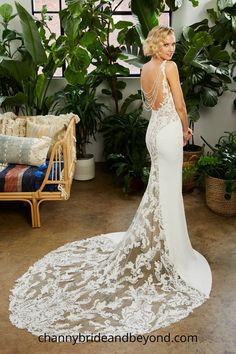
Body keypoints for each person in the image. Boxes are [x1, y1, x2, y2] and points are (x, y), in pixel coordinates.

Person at [9, 26, 212, 340]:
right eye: (167, 44)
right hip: (170, 132)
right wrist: (187, 131)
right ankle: (172, 251)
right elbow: (181, 106)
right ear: (157, 45)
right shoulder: (169, 68)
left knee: (160, 191)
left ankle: (164, 243)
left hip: (153, 132)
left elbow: (153, 104)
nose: (171, 50)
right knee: (166, 191)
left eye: (173, 45)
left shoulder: (145, 69)